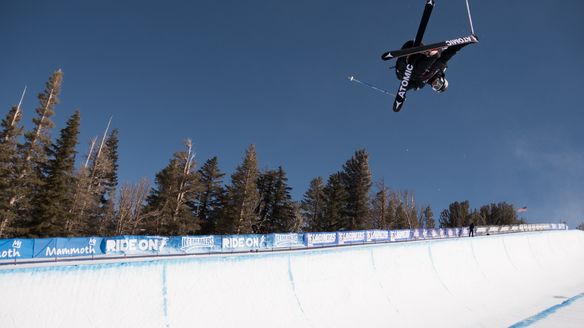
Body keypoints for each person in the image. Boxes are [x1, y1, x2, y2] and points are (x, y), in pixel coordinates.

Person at [395, 40, 471, 93]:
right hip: (411, 46)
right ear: (442, 79)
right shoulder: (440, 65)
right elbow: (452, 50)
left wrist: (402, 92)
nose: (435, 84)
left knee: (416, 77)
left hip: (402, 67)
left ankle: (408, 59)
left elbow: (407, 85)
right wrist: (467, 41)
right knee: (436, 56)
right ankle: (424, 51)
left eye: (436, 87)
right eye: (439, 84)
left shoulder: (421, 84)